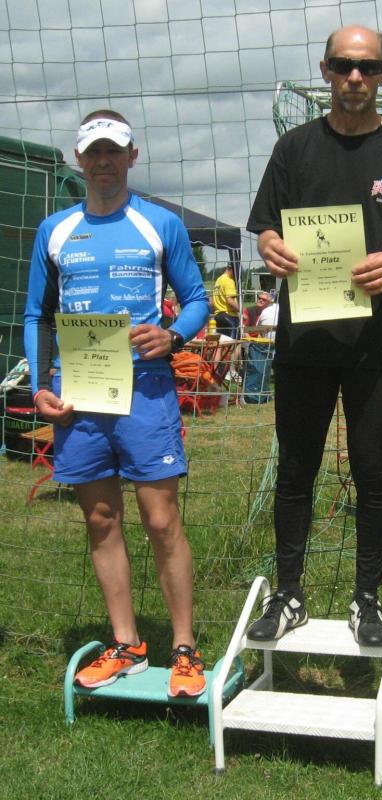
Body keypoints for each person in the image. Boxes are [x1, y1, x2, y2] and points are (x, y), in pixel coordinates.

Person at [245, 25, 382, 646]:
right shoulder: (294, 147)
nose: (355, 77)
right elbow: (266, 226)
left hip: (373, 345)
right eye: (343, 65)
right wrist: (271, 246)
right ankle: (288, 593)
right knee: (296, 470)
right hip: (304, 342)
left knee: (372, 471)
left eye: (367, 67)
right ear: (326, 70)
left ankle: (367, 600)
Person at [23, 110, 211, 698]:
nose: (104, 161)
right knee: (101, 519)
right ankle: (126, 643)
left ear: (132, 156)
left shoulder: (160, 224)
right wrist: (40, 386)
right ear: (79, 160)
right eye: (94, 152)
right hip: (79, 394)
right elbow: (37, 315)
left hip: (146, 390)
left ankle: (185, 648)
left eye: (114, 150)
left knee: (161, 519)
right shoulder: (54, 230)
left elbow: (197, 299)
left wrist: (173, 336)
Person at [212, 263, 240, 339]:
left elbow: (213, 301)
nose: (237, 274)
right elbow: (230, 301)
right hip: (229, 316)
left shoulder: (218, 280)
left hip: (218, 316)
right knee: (233, 343)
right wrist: (240, 310)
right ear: (231, 269)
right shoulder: (229, 280)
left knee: (221, 343)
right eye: (237, 271)